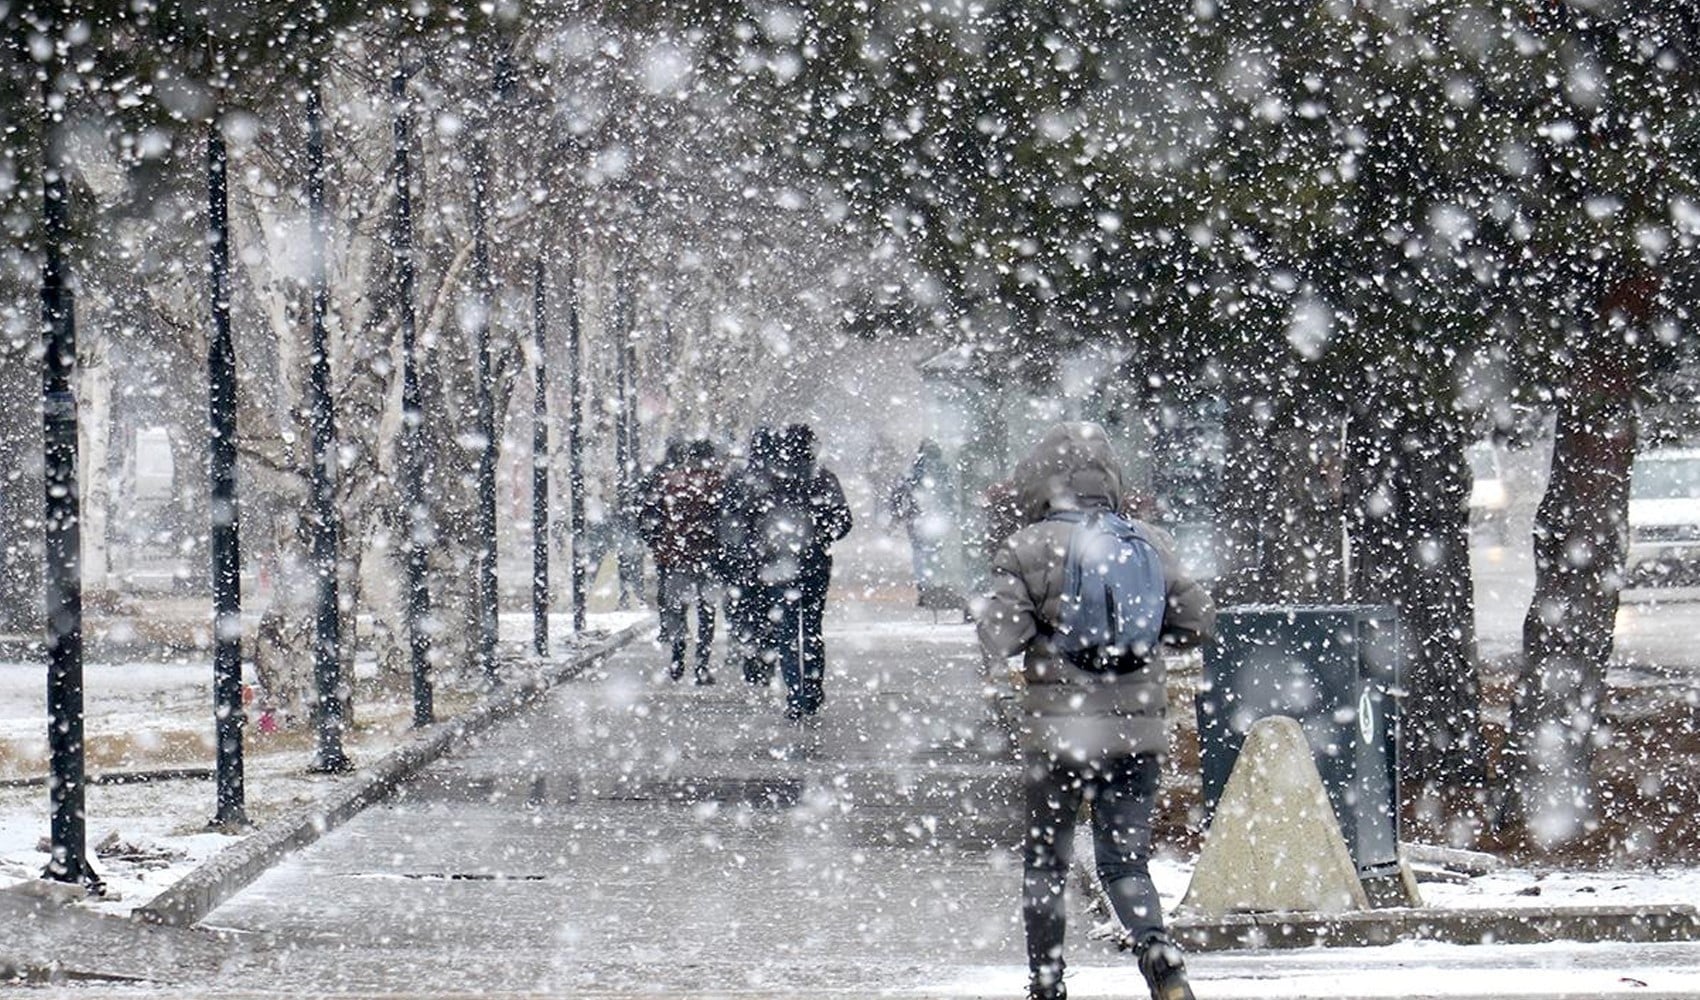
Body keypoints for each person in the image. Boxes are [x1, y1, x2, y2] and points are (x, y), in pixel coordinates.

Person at [975, 422, 1216, 1000]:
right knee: (1125, 861)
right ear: (1109, 480)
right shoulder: (1149, 542)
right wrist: (1141, 649)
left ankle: (1048, 982)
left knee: (1046, 863)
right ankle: (1158, 952)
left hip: (1058, 735)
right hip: (1137, 731)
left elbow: (1000, 636)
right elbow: (1196, 621)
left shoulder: (1026, 547)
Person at [747, 423, 852, 720]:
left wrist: (767, 547)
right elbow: (844, 521)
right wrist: (822, 536)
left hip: (782, 566)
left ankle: (794, 695)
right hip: (816, 563)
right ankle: (812, 689)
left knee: (788, 630)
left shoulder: (770, 480)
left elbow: (753, 522)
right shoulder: (823, 479)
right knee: (812, 629)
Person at [637, 438, 725, 684]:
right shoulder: (717, 483)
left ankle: (677, 662)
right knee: (706, 614)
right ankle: (702, 666)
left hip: (675, 557)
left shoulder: (668, 481)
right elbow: (726, 522)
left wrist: (657, 542)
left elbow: (648, 515)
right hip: (708, 556)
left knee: (678, 611)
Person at [719, 426, 780, 686]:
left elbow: (726, 516)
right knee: (770, 610)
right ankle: (765, 660)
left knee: (746, 609)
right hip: (771, 558)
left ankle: (750, 657)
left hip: (743, 557)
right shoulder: (780, 478)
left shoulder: (739, 478)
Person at [887, 439, 962, 610]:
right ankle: (934, 583)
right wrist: (951, 513)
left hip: (916, 517)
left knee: (919, 550)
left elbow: (900, 492)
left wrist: (897, 516)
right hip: (936, 517)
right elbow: (949, 493)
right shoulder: (943, 469)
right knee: (934, 549)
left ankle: (924, 586)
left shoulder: (912, 470)